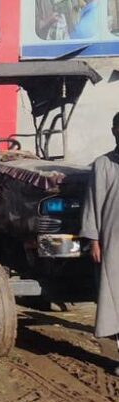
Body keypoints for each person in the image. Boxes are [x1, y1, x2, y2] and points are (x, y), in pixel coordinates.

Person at [80, 112, 119, 376]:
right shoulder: (104, 164)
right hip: (114, 243)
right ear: (115, 131)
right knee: (116, 299)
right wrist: (93, 239)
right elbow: (94, 203)